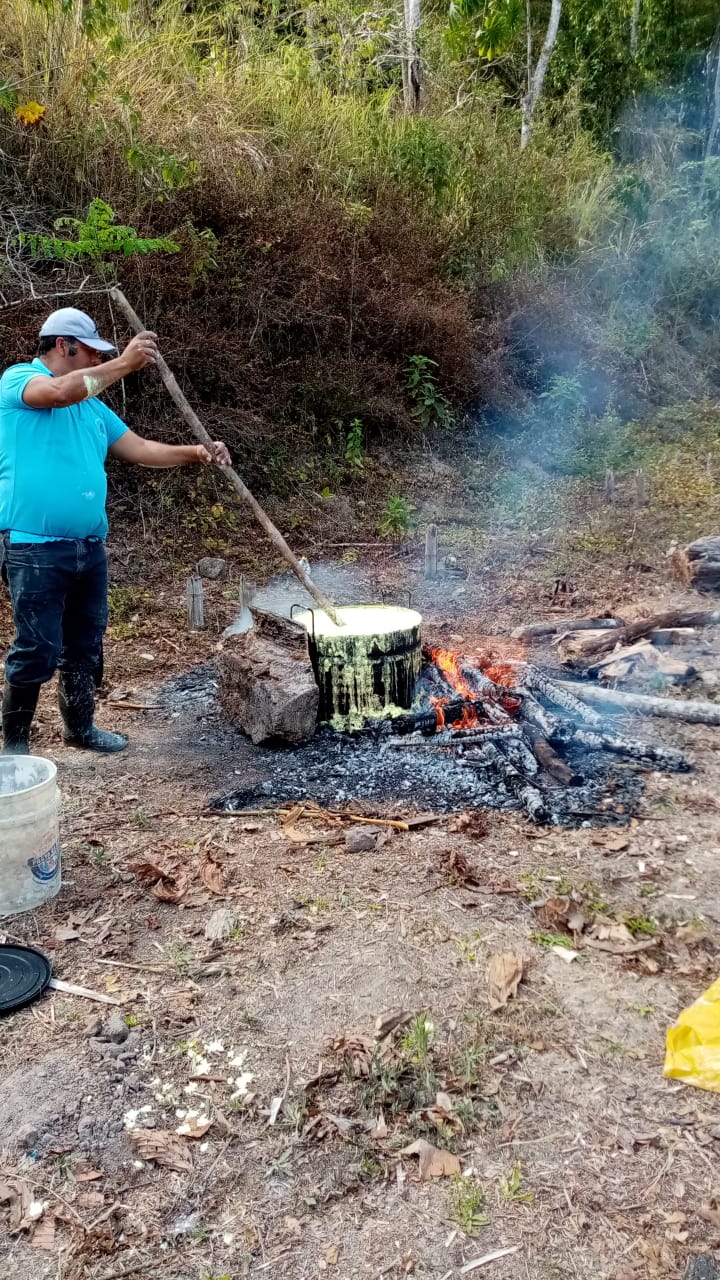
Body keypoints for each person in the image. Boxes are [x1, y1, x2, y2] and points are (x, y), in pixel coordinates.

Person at [0, 305, 231, 755]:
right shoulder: (19, 381)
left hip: (88, 548)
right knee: (37, 647)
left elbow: (140, 449)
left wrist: (196, 453)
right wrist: (125, 362)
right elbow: (58, 393)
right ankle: (15, 746)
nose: (97, 359)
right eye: (91, 351)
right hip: (34, 546)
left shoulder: (92, 408)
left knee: (85, 644)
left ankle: (79, 728)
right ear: (63, 345)